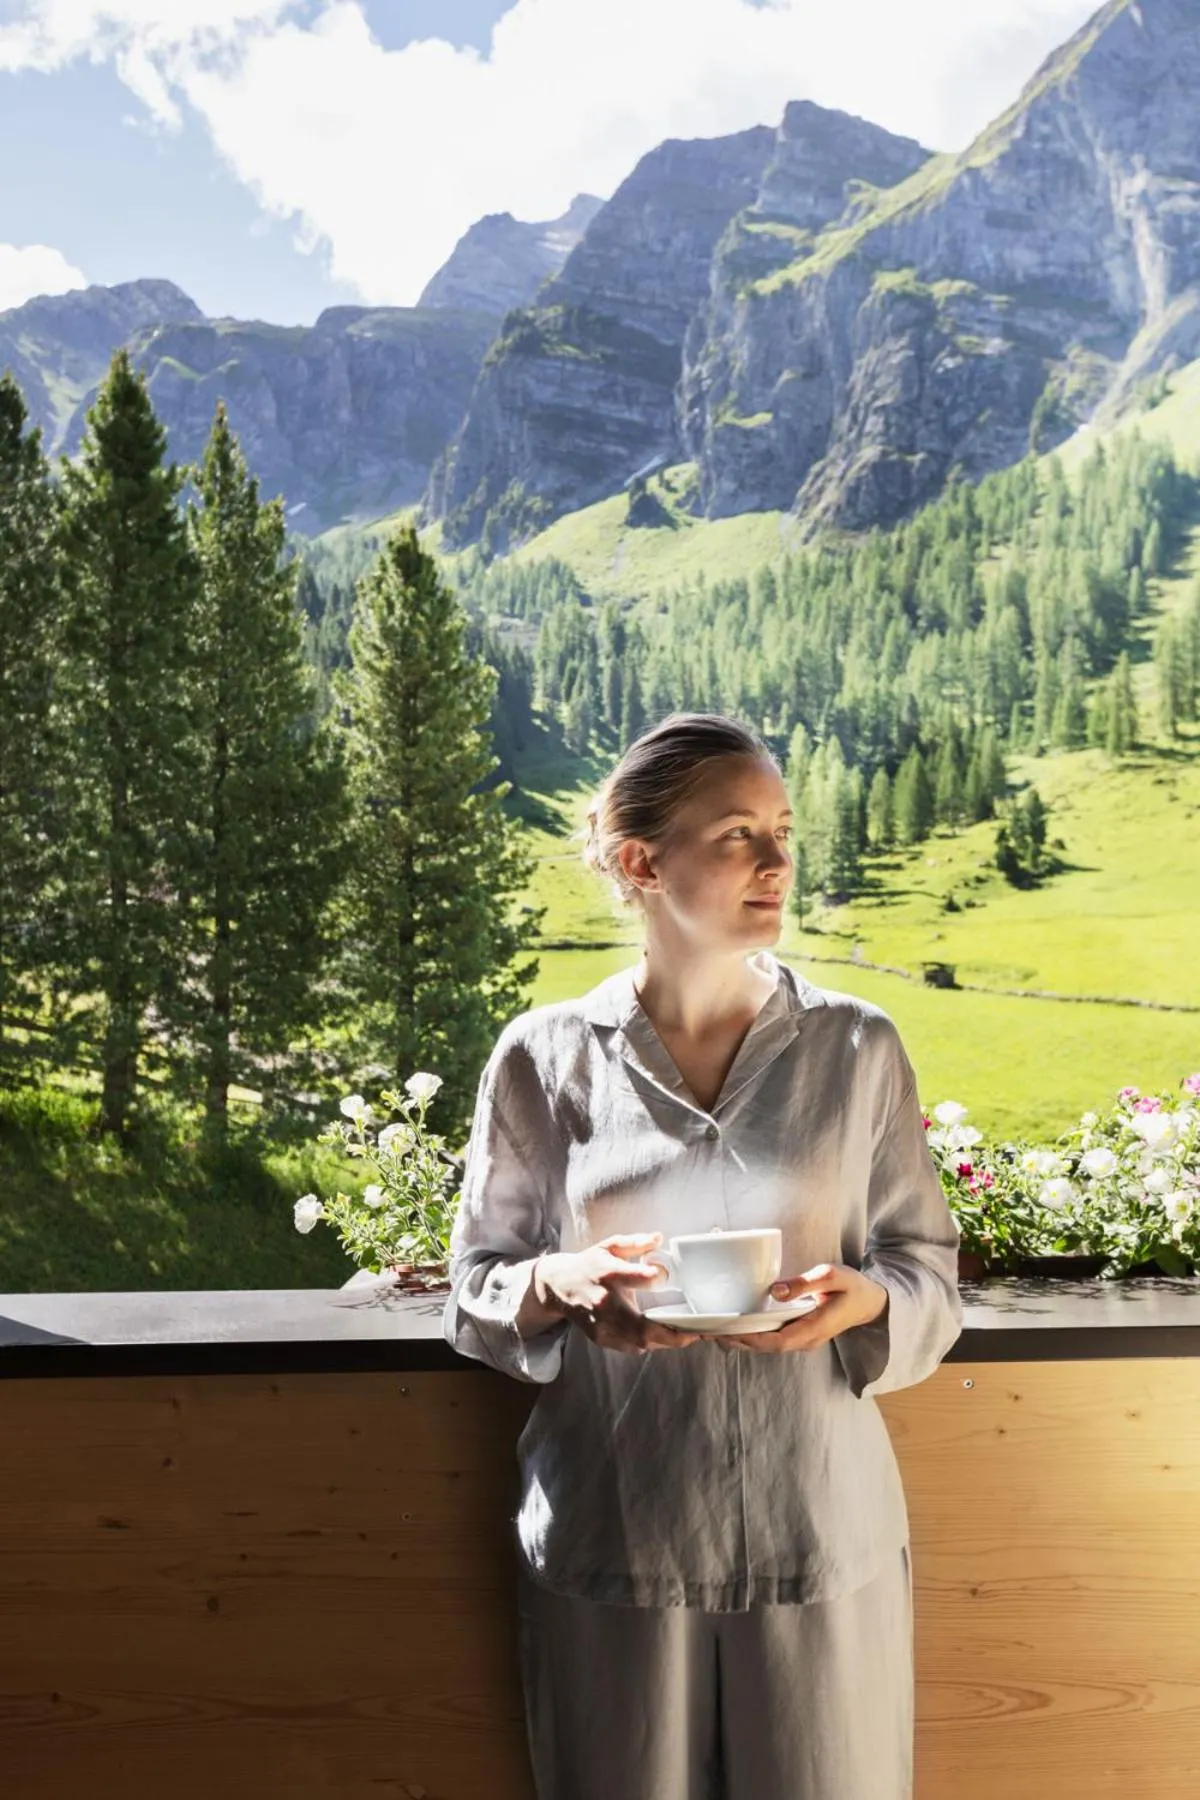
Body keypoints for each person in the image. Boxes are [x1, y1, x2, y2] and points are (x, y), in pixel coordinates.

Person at [443, 712, 962, 1800]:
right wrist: (563, 1285)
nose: (778, 862)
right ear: (643, 861)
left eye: (781, 829)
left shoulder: (858, 1049)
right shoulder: (542, 1059)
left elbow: (928, 1272)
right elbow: (476, 1291)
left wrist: (866, 1301)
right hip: (617, 1533)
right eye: (737, 835)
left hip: (820, 1531)